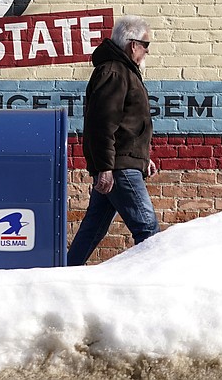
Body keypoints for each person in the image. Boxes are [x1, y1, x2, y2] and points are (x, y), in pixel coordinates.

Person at [67, 14, 159, 266]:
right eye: (146, 45)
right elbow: (102, 124)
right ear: (133, 45)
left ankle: (65, 274)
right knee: (147, 229)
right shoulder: (115, 72)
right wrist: (105, 167)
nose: (147, 52)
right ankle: (152, 282)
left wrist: (142, 157)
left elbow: (127, 124)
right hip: (118, 167)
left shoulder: (122, 71)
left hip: (121, 162)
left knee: (93, 228)